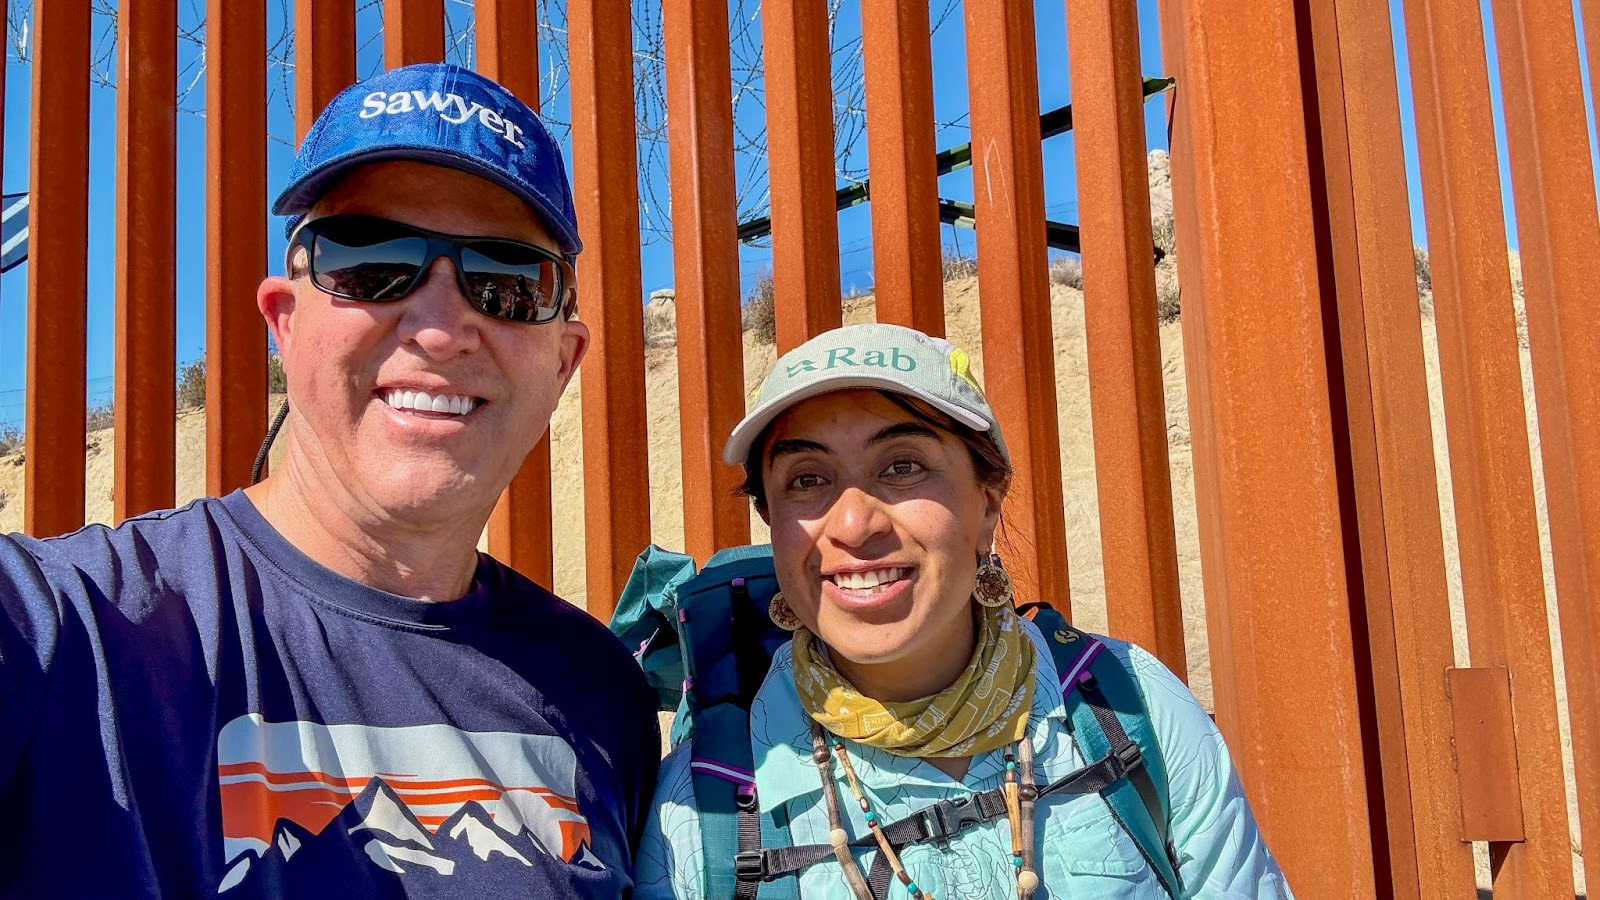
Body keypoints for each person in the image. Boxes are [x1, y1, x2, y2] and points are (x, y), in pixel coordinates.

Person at [0, 63, 659, 898]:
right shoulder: (78, 634)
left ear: (562, 361)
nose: (442, 324)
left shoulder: (599, 694)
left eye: (506, 282)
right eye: (372, 261)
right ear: (285, 321)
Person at [634, 323, 1291, 898]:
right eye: (807, 479)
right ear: (772, 524)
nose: (855, 524)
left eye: (903, 466)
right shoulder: (701, 817)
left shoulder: (1128, 708)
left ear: (987, 508)